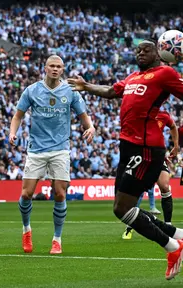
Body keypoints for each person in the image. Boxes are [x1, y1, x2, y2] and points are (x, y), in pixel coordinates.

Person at [67, 40, 183, 280]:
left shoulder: (165, 73)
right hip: (127, 147)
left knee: (122, 208)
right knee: (122, 207)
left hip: (146, 148)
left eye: (146, 49)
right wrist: (86, 86)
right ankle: (177, 234)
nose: (141, 52)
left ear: (160, 53)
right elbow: (110, 92)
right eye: (138, 50)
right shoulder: (132, 77)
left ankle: (172, 247)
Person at [9, 55, 95, 255]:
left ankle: (57, 239)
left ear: (62, 69)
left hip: (60, 149)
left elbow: (83, 115)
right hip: (36, 149)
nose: (55, 69)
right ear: (45, 68)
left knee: (60, 193)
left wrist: (90, 127)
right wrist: (12, 132)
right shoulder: (32, 90)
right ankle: (26, 230)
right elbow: (18, 116)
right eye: (52, 66)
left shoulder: (70, 91)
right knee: (25, 194)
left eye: (59, 66)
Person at [122, 110, 178, 239]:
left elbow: (173, 126)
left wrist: (175, 146)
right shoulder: (138, 114)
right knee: (136, 191)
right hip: (141, 157)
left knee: (164, 186)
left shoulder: (163, 116)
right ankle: (130, 226)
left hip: (157, 157)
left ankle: (168, 225)